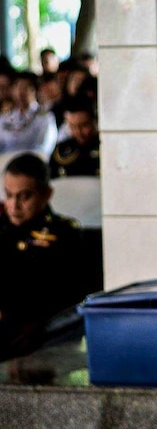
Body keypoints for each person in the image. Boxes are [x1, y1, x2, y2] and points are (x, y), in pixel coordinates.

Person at [0, 152, 87, 361]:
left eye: (25, 196)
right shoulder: (2, 229)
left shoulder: (64, 233)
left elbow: (51, 293)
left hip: (38, 336)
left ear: (46, 194)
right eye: (9, 195)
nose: (14, 205)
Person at [0, 71, 58, 156]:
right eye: (17, 87)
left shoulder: (45, 117)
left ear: (36, 90)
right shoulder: (5, 117)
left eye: (25, 87)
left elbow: (44, 148)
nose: (20, 92)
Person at [49, 96, 100, 178]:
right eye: (72, 126)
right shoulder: (60, 152)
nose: (78, 132)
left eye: (84, 125)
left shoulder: (106, 148)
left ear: (95, 121)